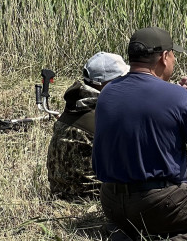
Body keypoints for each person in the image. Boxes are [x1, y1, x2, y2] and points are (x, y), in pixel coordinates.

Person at [92, 27, 187, 241]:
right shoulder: (177, 97)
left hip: (111, 202)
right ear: (163, 57)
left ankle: (121, 233)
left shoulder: (107, 92)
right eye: (173, 54)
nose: (175, 60)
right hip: (156, 204)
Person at [46, 52, 129, 200]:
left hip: (59, 193)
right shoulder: (104, 113)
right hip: (92, 196)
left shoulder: (75, 104)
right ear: (104, 83)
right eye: (122, 78)